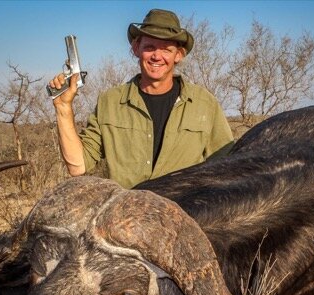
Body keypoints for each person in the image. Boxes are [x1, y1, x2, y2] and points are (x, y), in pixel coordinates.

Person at [49, 9, 234, 189]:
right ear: (136, 48)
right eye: (149, 47)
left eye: (166, 49)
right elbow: (77, 165)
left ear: (178, 55)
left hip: (185, 215)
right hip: (127, 217)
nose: (157, 56)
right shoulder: (110, 102)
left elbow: (227, 169)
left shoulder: (205, 104)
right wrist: (63, 107)